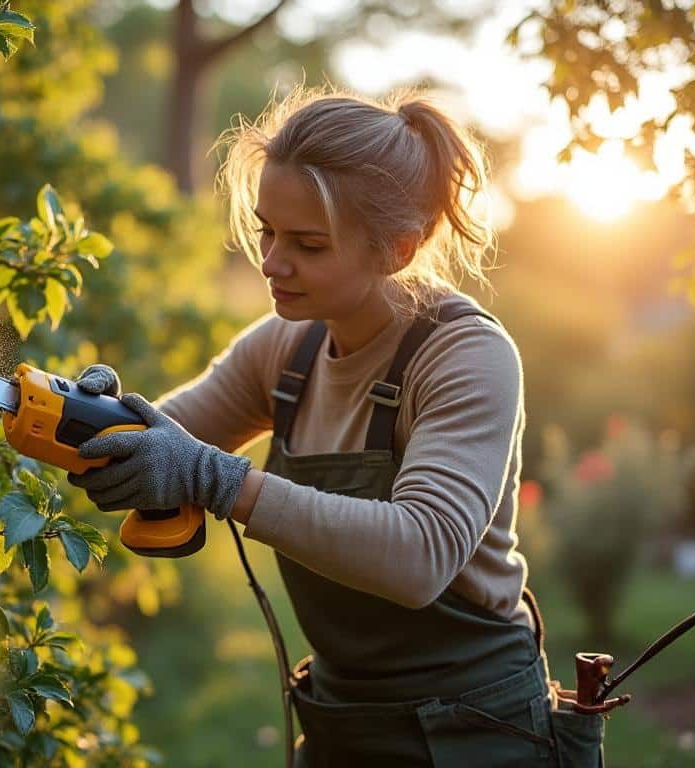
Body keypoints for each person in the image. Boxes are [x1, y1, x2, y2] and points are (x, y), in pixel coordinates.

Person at [67, 87, 604, 767]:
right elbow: (161, 441)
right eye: (266, 230)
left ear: (398, 249)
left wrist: (219, 481)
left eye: (307, 244)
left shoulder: (464, 355)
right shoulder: (283, 350)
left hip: (476, 733)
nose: (270, 262)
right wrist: (85, 418)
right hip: (342, 726)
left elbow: (420, 556)